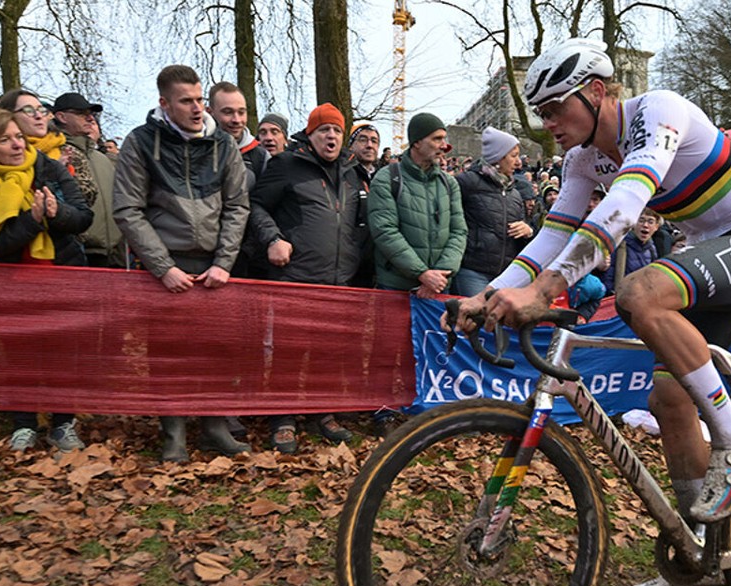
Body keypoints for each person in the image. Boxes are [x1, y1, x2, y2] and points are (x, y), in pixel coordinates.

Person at [447, 38, 731, 586]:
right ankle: (696, 552)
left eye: (554, 110)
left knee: (639, 292)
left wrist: (546, 291)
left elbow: (621, 210)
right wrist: (494, 292)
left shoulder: (659, 112)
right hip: (707, 256)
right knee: (670, 402)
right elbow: (553, 235)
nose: (547, 126)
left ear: (594, 92)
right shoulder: (581, 160)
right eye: (539, 115)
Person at [113, 64, 252, 463]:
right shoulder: (140, 143)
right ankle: (173, 431)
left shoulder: (223, 145)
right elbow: (128, 209)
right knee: (167, 352)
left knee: (217, 350)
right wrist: (162, 267)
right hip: (164, 267)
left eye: (199, 100)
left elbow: (238, 205)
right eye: (186, 101)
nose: (196, 109)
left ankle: (212, 426)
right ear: (164, 103)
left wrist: (225, 261)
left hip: (214, 266)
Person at [0, 106, 93, 453]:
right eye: (5, 140)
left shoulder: (49, 167)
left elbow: (83, 216)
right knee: (18, 352)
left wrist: (56, 213)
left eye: (18, 136)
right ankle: (24, 423)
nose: (17, 145)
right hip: (8, 280)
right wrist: (31, 221)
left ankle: (63, 423)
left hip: (60, 272)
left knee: (64, 352)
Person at [247, 103, 372, 452]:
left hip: (338, 279)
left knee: (330, 352)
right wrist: (272, 238)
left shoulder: (351, 171)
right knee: (289, 350)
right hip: (295, 276)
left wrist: (354, 255)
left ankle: (324, 411)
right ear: (311, 134)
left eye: (336, 130)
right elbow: (255, 206)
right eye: (323, 131)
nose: (330, 136)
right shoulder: (287, 165)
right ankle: (283, 418)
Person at [368, 112, 466, 299]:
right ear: (417, 142)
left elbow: (459, 232)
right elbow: (385, 231)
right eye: (437, 139)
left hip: (439, 286)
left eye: (444, 139)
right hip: (395, 286)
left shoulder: (449, 183)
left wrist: (440, 274)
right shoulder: (386, 179)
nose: (444, 146)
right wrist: (422, 273)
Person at [451, 126, 531, 296]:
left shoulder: (515, 193)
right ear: (498, 157)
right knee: (476, 319)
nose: (519, 163)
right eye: (513, 156)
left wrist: (528, 230)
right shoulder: (467, 182)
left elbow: (523, 236)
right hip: (472, 272)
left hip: (506, 276)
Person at [51, 92, 125, 268]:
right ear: (61, 116)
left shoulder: (103, 159)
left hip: (115, 254)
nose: (90, 118)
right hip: (77, 253)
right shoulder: (54, 154)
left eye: (91, 114)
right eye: (81, 113)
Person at [346, 120, 380, 187]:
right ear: (351, 146)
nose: (369, 145)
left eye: (374, 141)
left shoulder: (383, 177)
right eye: (363, 140)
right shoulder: (342, 175)